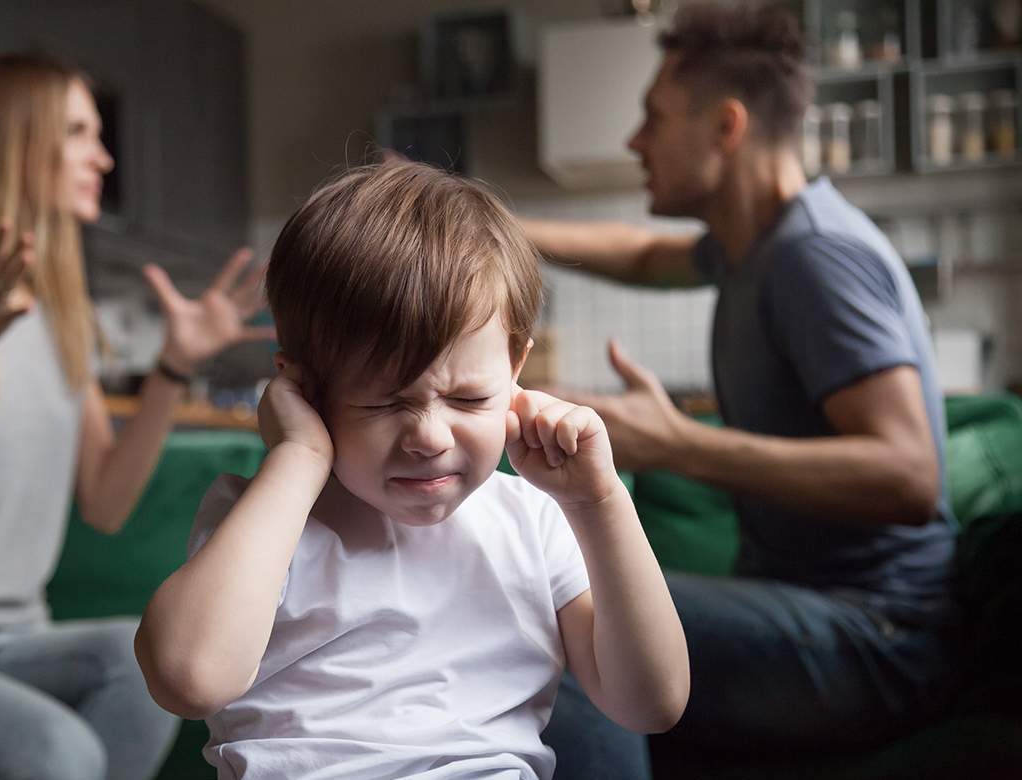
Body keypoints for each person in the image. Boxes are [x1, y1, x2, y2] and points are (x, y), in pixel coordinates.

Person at [133, 160, 690, 780]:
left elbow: (653, 702)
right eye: (383, 402)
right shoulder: (267, 520)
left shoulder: (535, 521)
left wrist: (599, 503)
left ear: (516, 368)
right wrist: (300, 458)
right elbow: (187, 678)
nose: (428, 437)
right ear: (305, 390)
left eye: (470, 399)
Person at [520, 0, 960, 767]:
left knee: (569, 625)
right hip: (830, 617)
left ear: (727, 127)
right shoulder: (750, 245)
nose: (635, 141)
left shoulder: (812, 256)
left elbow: (910, 475)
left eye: (653, 119)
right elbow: (638, 252)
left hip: (877, 638)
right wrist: (491, 223)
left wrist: (679, 445)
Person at [0, 53, 273, 780]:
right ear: (13, 143)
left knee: (146, 668)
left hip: (12, 639)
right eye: (77, 132)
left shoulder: (62, 311)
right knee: (55, 752)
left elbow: (105, 500)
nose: (103, 155)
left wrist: (171, 368)